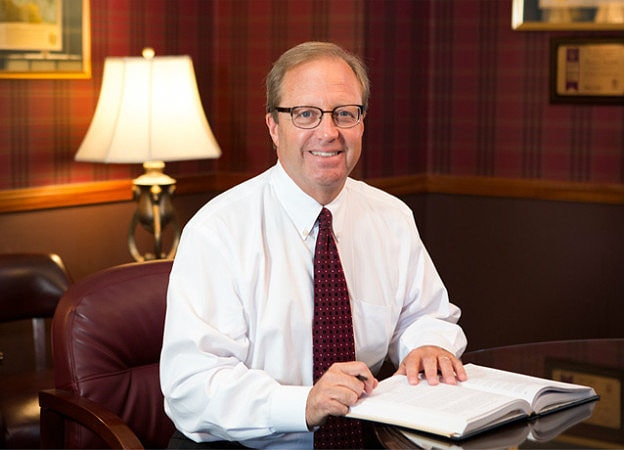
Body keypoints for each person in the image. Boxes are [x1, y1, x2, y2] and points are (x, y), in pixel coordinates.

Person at [160, 41, 468, 449]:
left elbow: (426, 315)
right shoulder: (218, 231)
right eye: (306, 114)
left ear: (361, 123)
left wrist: (428, 344)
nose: (329, 132)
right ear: (273, 125)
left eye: (345, 114)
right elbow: (191, 386)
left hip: (369, 438)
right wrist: (302, 404)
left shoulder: (391, 218)